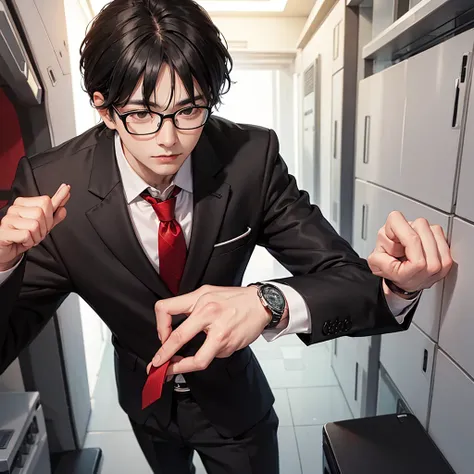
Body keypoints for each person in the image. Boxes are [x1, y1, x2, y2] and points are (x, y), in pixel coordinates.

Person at [0, 0, 452, 473]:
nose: (168, 140)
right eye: (141, 113)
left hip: (236, 406)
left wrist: (267, 301)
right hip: (146, 401)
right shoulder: (49, 184)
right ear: (105, 108)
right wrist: (3, 265)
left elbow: (351, 280)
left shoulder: (250, 159)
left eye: (189, 110)